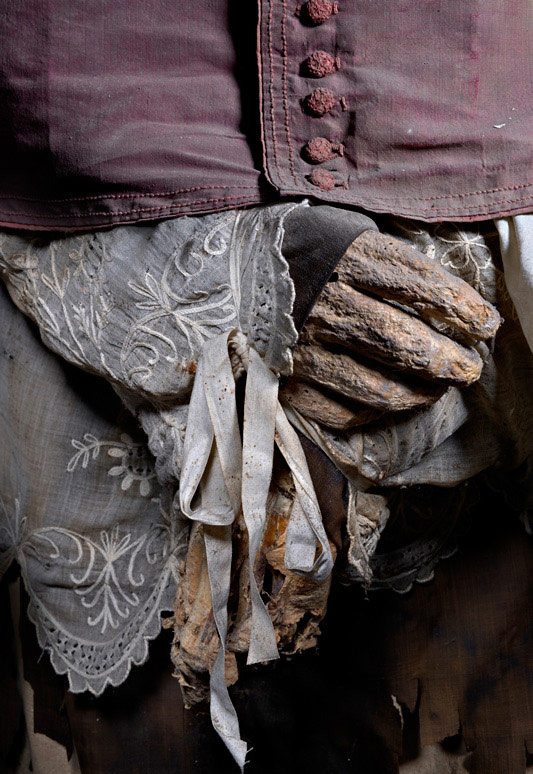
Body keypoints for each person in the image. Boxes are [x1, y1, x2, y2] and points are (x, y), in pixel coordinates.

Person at [1, 1, 533, 772]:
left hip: (470, 184)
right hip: (96, 225)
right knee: (146, 724)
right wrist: (235, 288)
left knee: (462, 699)